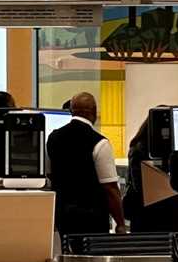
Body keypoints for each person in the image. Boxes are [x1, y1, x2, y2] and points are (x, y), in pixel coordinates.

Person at [46, 92, 126, 234]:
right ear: (94, 112)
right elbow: (110, 188)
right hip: (92, 220)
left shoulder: (53, 138)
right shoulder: (100, 142)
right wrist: (120, 224)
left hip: (62, 217)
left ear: (71, 111)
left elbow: (50, 175)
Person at [124, 112, 178, 232]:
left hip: (149, 212)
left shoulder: (137, 148)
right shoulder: (140, 150)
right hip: (152, 212)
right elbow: (139, 185)